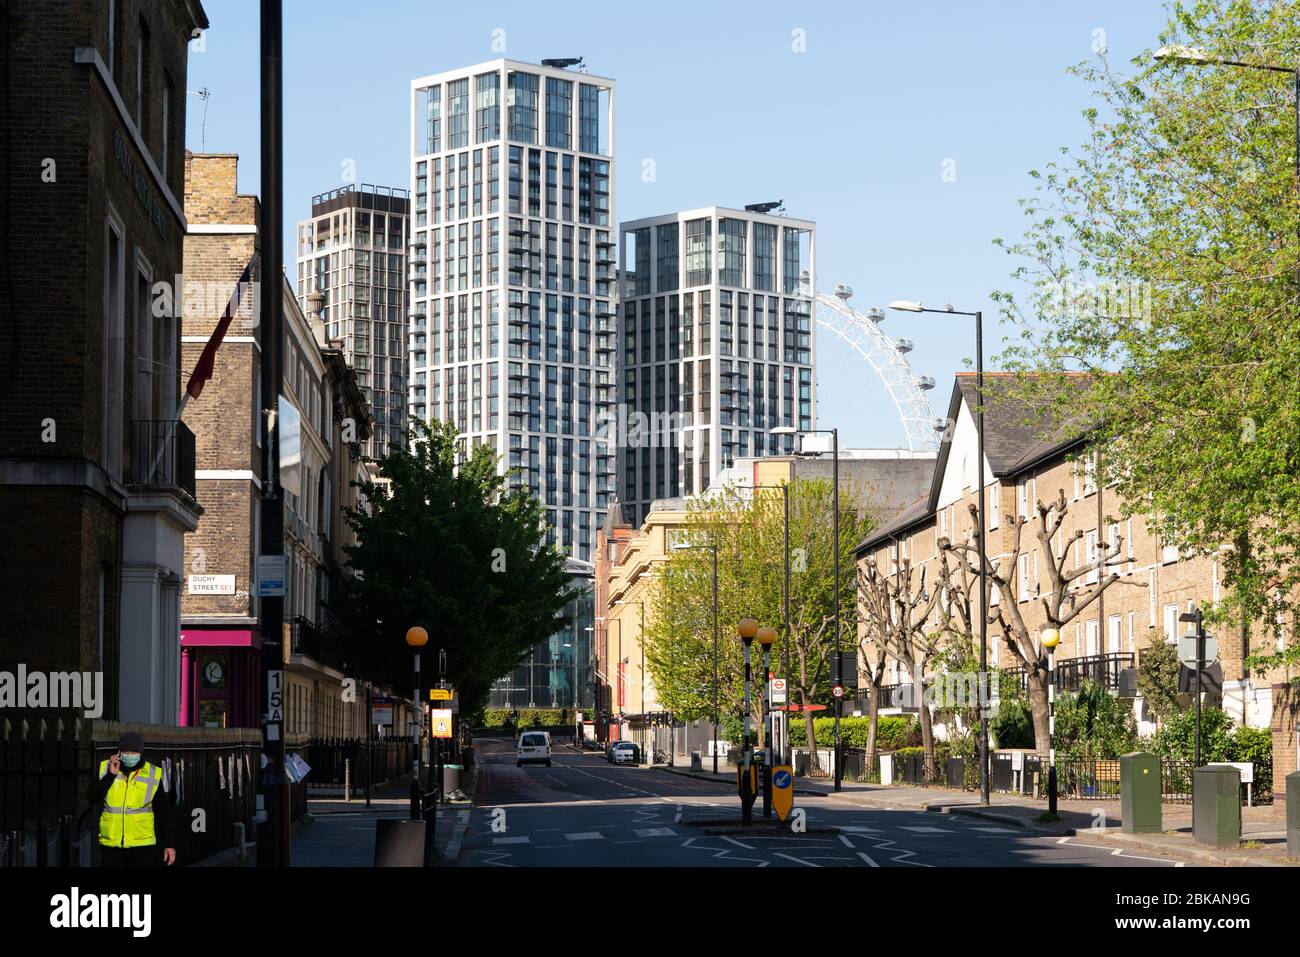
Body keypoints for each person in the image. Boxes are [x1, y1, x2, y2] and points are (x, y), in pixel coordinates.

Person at [86, 731, 177, 867]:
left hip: (142, 847)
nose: (129, 755)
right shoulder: (106, 768)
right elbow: (92, 797)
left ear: (140, 752)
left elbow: (163, 813)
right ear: (119, 752)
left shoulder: (153, 773)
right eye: (126, 751)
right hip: (112, 846)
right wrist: (110, 775)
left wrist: (169, 844)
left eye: (133, 752)